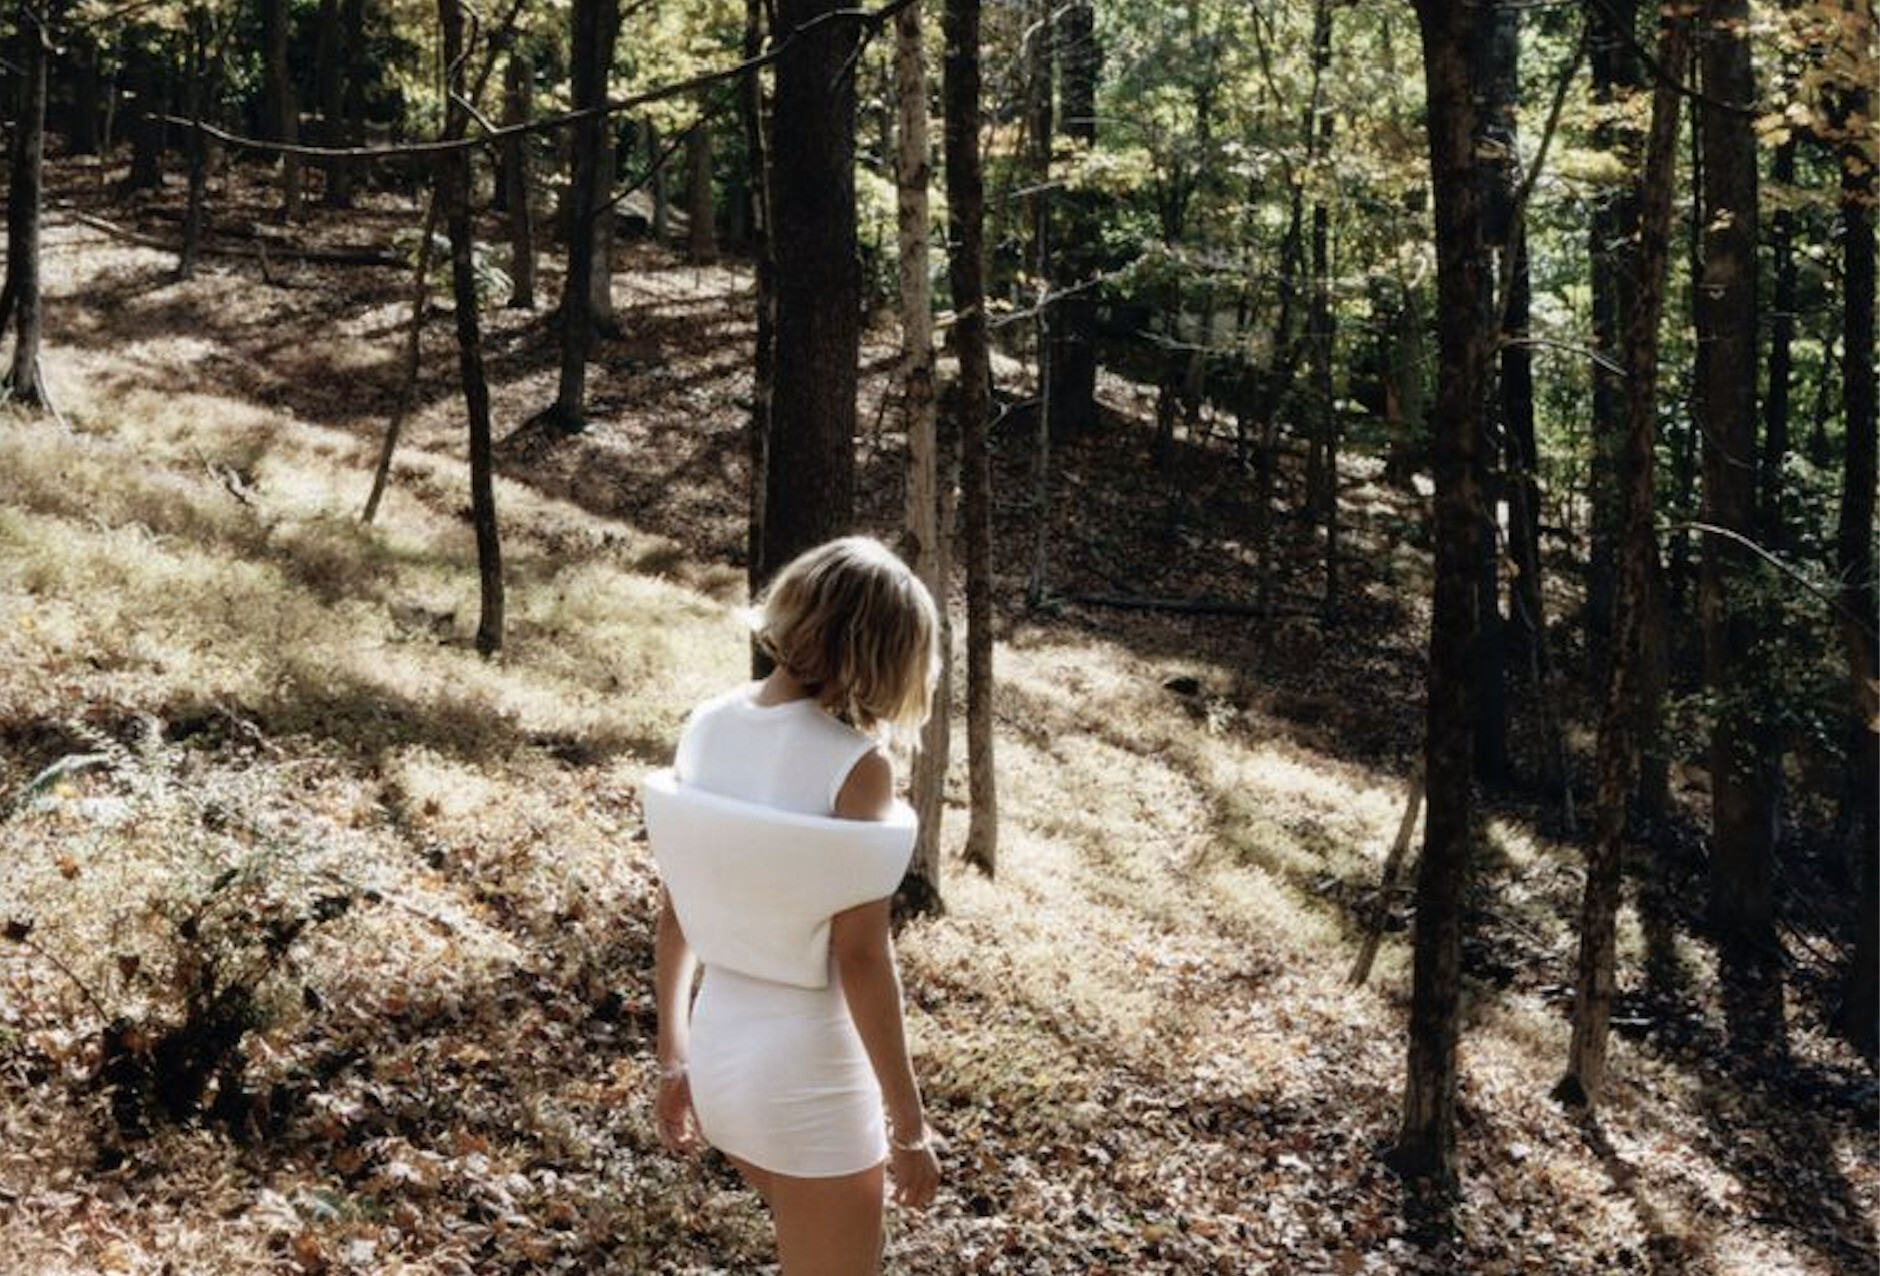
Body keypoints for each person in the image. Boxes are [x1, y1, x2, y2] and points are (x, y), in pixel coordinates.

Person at [651, 536, 944, 1274]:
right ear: (886, 651)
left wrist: (672, 1060)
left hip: (720, 1050)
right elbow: (862, 956)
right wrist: (909, 1127)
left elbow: (675, 915)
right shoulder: (857, 768)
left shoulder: (707, 724)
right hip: (811, 1072)